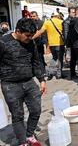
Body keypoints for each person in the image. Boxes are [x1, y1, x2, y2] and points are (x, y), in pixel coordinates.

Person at [0, 18, 46, 146]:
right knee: (17, 115)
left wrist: (42, 79)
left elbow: (36, 62)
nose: (30, 38)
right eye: (27, 36)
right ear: (18, 31)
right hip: (10, 85)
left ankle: (30, 135)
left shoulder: (31, 42)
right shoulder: (3, 42)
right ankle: (22, 142)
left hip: (29, 82)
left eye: (32, 36)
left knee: (36, 110)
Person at [33, 12, 65, 79]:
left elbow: (40, 31)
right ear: (58, 16)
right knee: (60, 59)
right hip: (60, 43)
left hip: (51, 44)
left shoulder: (47, 22)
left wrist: (32, 37)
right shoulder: (61, 22)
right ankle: (59, 74)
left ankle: (50, 72)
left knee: (54, 58)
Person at [63, 7, 78, 79]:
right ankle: (72, 74)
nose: (74, 13)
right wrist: (67, 44)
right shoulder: (66, 21)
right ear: (69, 12)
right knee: (72, 59)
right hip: (70, 43)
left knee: (75, 58)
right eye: (72, 12)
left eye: (74, 12)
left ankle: (74, 73)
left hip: (75, 42)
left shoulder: (74, 20)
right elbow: (66, 33)